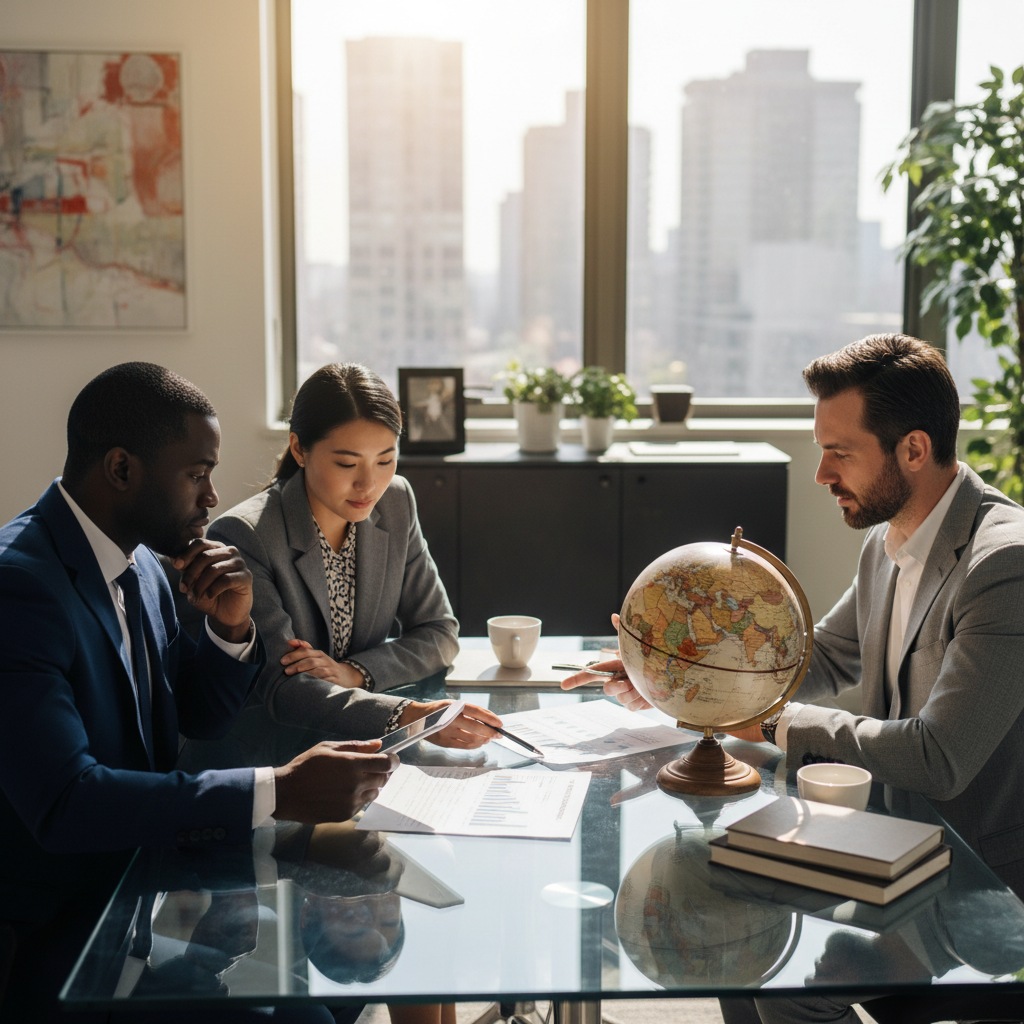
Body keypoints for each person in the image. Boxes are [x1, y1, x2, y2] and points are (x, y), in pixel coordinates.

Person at [0, 363, 492, 1024]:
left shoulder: (143, 564)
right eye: (197, 474)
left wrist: (233, 627)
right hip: (66, 940)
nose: (211, 498)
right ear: (122, 470)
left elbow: (198, 715)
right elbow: (66, 802)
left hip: (152, 889)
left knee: (318, 1003)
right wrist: (278, 789)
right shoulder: (19, 587)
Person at [564, 335, 1024, 1023]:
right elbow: (826, 657)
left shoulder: (1003, 565)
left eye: (839, 452)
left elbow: (941, 756)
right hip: (883, 843)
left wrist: (773, 724)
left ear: (914, 450)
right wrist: (673, 673)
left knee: (777, 988)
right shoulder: (889, 540)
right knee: (731, 937)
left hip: (975, 885)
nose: (820, 474)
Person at [181, 363, 475, 770]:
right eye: (346, 464)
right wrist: (405, 716)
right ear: (299, 449)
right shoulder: (246, 535)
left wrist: (354, 672)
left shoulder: (395, 501)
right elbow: (286, 690)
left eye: (386, 460)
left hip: (358, 747)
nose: (368, 485)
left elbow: (440, 633)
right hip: (269, 758)